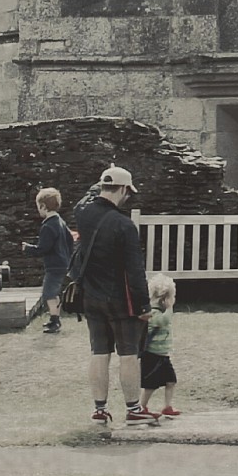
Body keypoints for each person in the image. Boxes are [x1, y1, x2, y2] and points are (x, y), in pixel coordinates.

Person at [74, 165, 159, 428]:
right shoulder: (125, 225)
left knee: (99, 352)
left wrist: (101, 183)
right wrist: (144, 304)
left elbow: (86, 198)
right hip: (121, 299)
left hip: (91, 295)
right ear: (123, 189)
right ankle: (133, 409)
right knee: (128, 354)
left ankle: (100, 409)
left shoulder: (84, 214)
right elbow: (135, 269)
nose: (128, 197)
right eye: (127, 192)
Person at [24, 187, 72, 333]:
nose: (38, 210)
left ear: (43, 206)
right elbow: (70, 240)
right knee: (54, 293)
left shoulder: (48, 226)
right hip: (63, 263)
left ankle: (55, 322)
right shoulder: (60, 222)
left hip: (54, 265)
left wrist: (27, 248)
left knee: (49, 293)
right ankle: (55, 318)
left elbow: (43, 248)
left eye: (38, 207)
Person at [141, 274, 181, 416]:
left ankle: (168, 406)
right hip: (152, 355)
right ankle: (142, 406)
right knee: (150, 385)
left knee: (171, 380)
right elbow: (162, 322)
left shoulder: (159, 312)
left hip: (163, 354)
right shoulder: (153, 312)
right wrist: (170, 308)